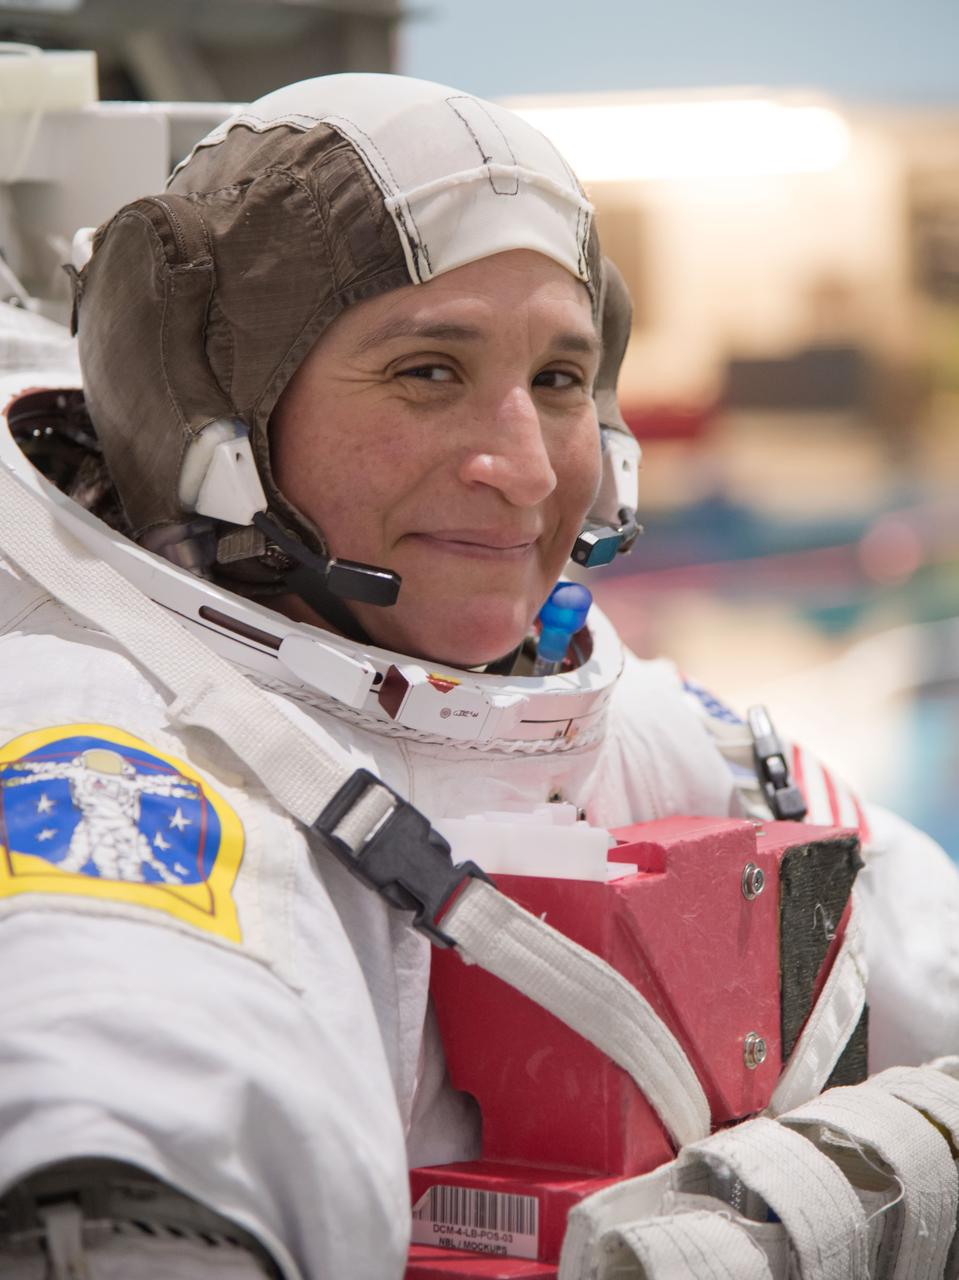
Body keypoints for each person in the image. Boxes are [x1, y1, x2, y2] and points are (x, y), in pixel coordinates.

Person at [0, 71, 957, 1279]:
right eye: (427, 372)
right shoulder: (104, 742)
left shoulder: (642, 731)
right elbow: (133, 1074)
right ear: (208, 421)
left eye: (557, 379)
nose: (520, 463)